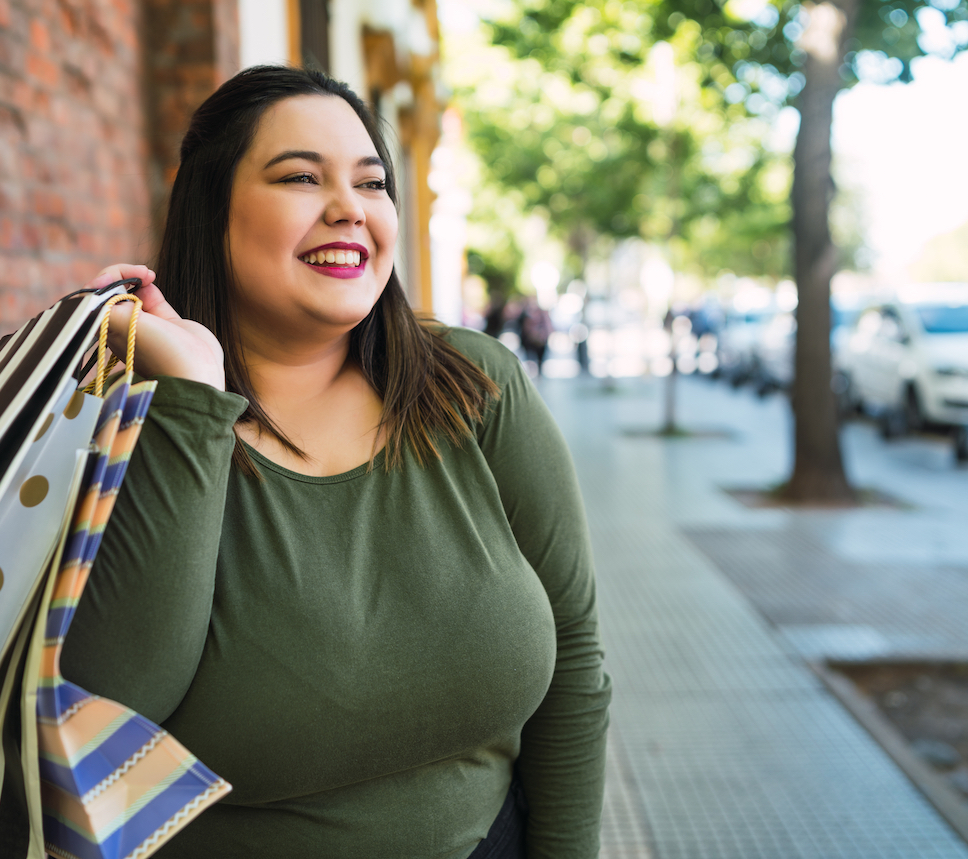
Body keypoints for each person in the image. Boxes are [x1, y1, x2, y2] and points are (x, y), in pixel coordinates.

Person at [62, 65, 611, 859]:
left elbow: (577, 663)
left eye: (371, 181)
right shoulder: (130, 419)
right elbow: (109, 722)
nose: (350, 208)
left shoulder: (475, 384)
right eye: (298, 177)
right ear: (211, 210)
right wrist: (190, 398)